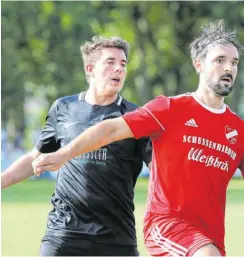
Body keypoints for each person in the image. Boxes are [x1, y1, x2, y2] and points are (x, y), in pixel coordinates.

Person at [32, 20, 244, 257]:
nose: (228, 68)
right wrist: (63, 154)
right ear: (199, 64)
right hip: (167, 227)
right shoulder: (169, 108)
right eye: (220, 60)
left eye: (234, 62)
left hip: (209, 238)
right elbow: (111, 129)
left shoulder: (242, 132)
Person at [1, 36, 152, 256]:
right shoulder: (63, 108)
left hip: (116, 238)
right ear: (91, 69)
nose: (119, 68)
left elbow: (161, 168)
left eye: (123, 64)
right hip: (64, 233)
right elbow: (35, 157)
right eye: (110, 62)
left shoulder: (135, 117)